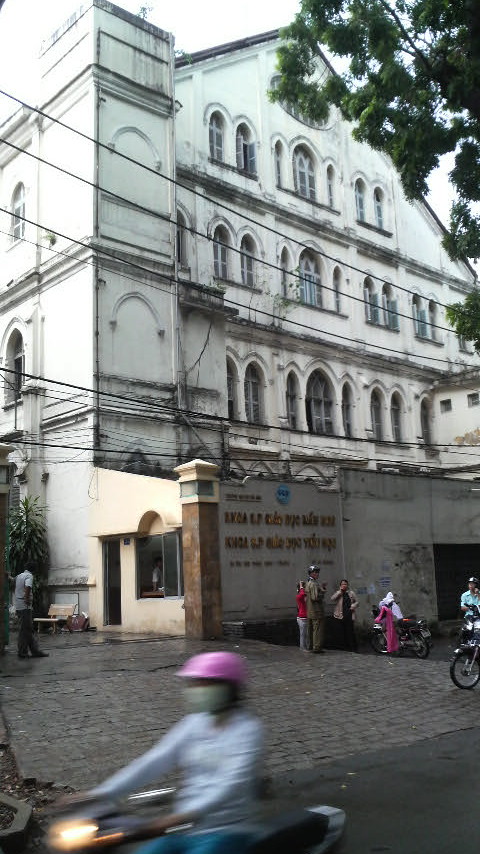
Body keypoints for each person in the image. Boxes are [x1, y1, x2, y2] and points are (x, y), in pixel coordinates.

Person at [86, 652, 263, 854]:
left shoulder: (248, 730)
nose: (196, 690)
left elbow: (232, 784)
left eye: (205, 684)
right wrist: (99, 794)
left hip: (227, 831)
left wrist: (184, 816)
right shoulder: (194, 723)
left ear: (229, 688)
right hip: (185, 830)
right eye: (194, 684)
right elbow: (155, 760)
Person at [14, 561, 49, 659]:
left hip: (18, 605)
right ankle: (22, 652)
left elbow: (13, 581)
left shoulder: (19, 575)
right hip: (25, 606)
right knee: (24, 630)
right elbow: (28, 586)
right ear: (34, 569)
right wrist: (26, 598)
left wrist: (7, 576)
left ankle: (35, 650)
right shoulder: (29, 576)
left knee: (28, 629)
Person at [331, 579, 359, 652]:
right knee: (341, 632)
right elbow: (332, 598)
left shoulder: (351, 593)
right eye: (343, 584)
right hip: (340, 615)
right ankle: (344, 647)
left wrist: (354, 605)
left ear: (347, 585)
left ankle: (353, 648)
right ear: (340, 585)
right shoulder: (338, 593)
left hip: (349, 615)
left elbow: (357, 602)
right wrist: (340, 591)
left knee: (350, 632)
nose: (344, 585)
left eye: (345, 584)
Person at [305, 565, 327, 654]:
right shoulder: (313, 583)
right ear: (311, 573)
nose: (317, 574)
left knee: (310, 630)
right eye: (315, 572)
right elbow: (315, 597)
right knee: (317, 629)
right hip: (316, 611)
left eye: (318, 572)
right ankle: (317, 647)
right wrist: (323, 590)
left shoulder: (308, 582)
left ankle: (310, 646)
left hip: (310, 611)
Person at [296, 581, 308, 651]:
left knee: (306, 634)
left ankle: (305, 646)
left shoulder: (304, 595)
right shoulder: (299, 595)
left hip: (305, 616)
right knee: (303, 634)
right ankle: (303, 647)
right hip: (302, 617)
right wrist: (301, 586)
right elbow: (302, 593)